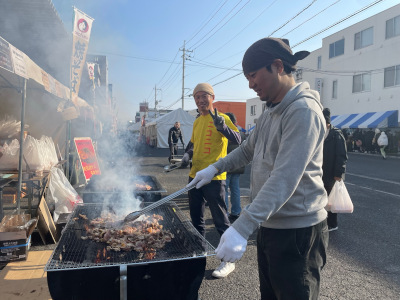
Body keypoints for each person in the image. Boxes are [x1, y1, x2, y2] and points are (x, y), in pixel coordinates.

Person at [187, 37, 329, 299]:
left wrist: (242, 226)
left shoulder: (303, 111)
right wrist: (213, 169)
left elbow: (284, 178)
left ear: (277, 66)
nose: (250, 84)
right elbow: (245, 150)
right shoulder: (269, 113)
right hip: (271, 225)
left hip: (297, 232)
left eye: (253, 76)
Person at [181, 82, 241, 278]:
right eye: (197, 97)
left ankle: (228, 261)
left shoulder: (222, 118)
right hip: (195, 174)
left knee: (220, 219)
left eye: (204, 96)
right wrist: (187, 154)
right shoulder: (197, 121)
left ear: (212, 97)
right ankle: (199, 255)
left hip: (214, 176)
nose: (200, 100)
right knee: (196, 218)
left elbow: (239, 139)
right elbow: (193, 143)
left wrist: (223, 128)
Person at [322, 108, 348, 232]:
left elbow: (342, 155)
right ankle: (323, 222)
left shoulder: (336, 134)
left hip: (332, 173)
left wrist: (339, 174)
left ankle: (332, 224)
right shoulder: (320, 132)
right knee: (322, 198)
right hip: (321, 172)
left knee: (331, 200)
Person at [224, 112, 246, 223]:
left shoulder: (227, 133)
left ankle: (224, 213)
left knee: (224, 190)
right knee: (235, 190)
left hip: (227, 166)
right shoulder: (241, 133)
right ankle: (236, 212)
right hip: (238, 166)